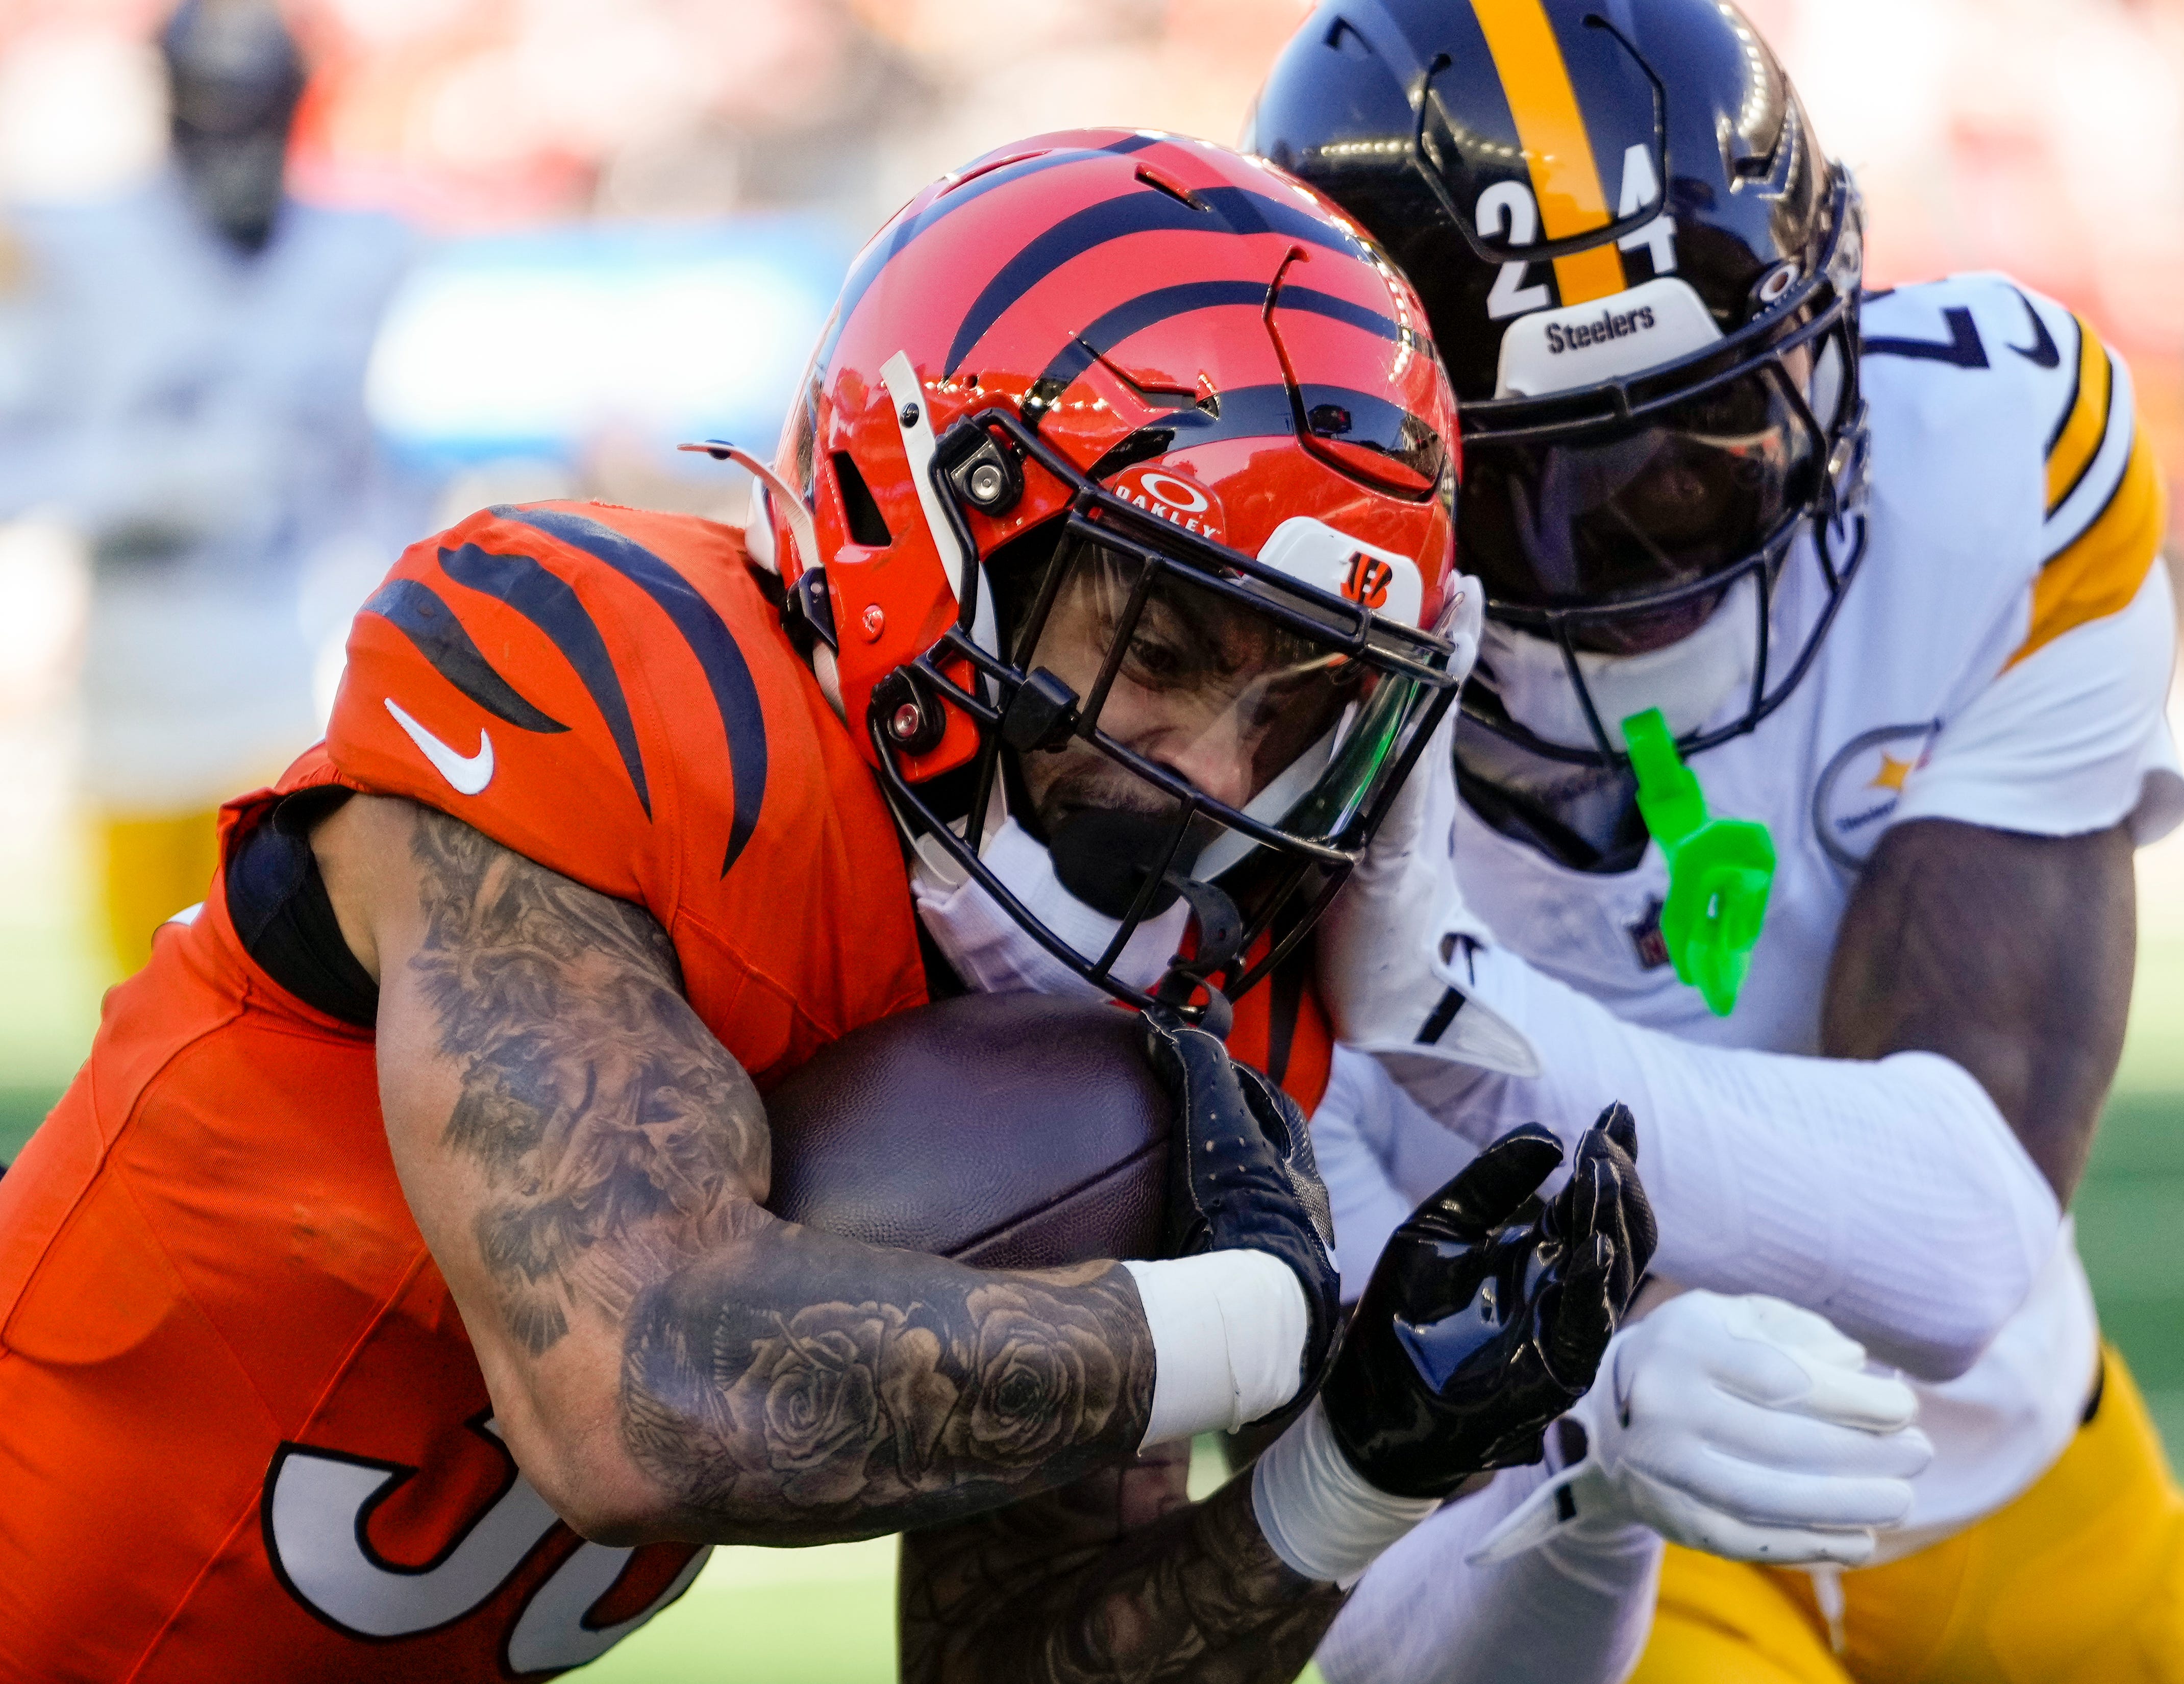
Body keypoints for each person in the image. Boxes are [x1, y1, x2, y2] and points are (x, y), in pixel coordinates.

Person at [0, 131, 1660, 1684]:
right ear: (940, 531)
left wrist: (1349, 1475)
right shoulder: (607, 687)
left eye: (1296, 710)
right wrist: (1260, 1319)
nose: (1213, 773)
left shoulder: (1150, 1006)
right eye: (1162, 655)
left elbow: (1011, 1661)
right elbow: (632, 1396)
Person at [1251, 3, 2184, 1679]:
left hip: (2011, 1469)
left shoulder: (2000, 460)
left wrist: (1454, 1027)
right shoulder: (1258, 679)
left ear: (1829, 314)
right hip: (1584, 1537)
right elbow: (1352, 1580)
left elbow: (1967, 1240)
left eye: (1714, 424)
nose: (1651, 513)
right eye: (1550, 479)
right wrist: (1594, 1424)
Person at [0, 0, 426, 977]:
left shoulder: (370, 252)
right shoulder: (73, 248)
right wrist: (149, 479)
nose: (234, 142)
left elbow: (402, 465)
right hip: (137, 702)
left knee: (300, 1023)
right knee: (148, 1018)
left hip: (303, 688)